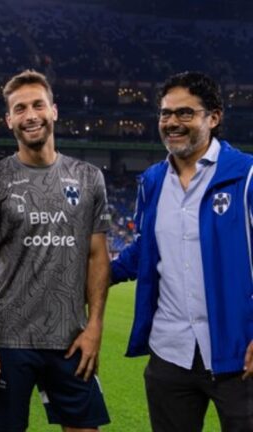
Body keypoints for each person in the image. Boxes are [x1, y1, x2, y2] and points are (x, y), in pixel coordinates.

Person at [0, 70, 111, 432]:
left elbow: (98, 256)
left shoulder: (89, 178)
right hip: (8, 340)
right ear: (9, 118)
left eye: (38, 105)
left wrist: (95, 328)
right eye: (20, 108)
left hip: (71, 337)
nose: (30, 115)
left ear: (53, 111)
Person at [111, 71, 253, 431]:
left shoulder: (246, 175)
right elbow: (146, 248)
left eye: (185, 113)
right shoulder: (153, 181)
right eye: (165, 114)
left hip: (239, 355)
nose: (172, 123)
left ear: (214, 117)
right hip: (170, 354)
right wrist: (91, 272)